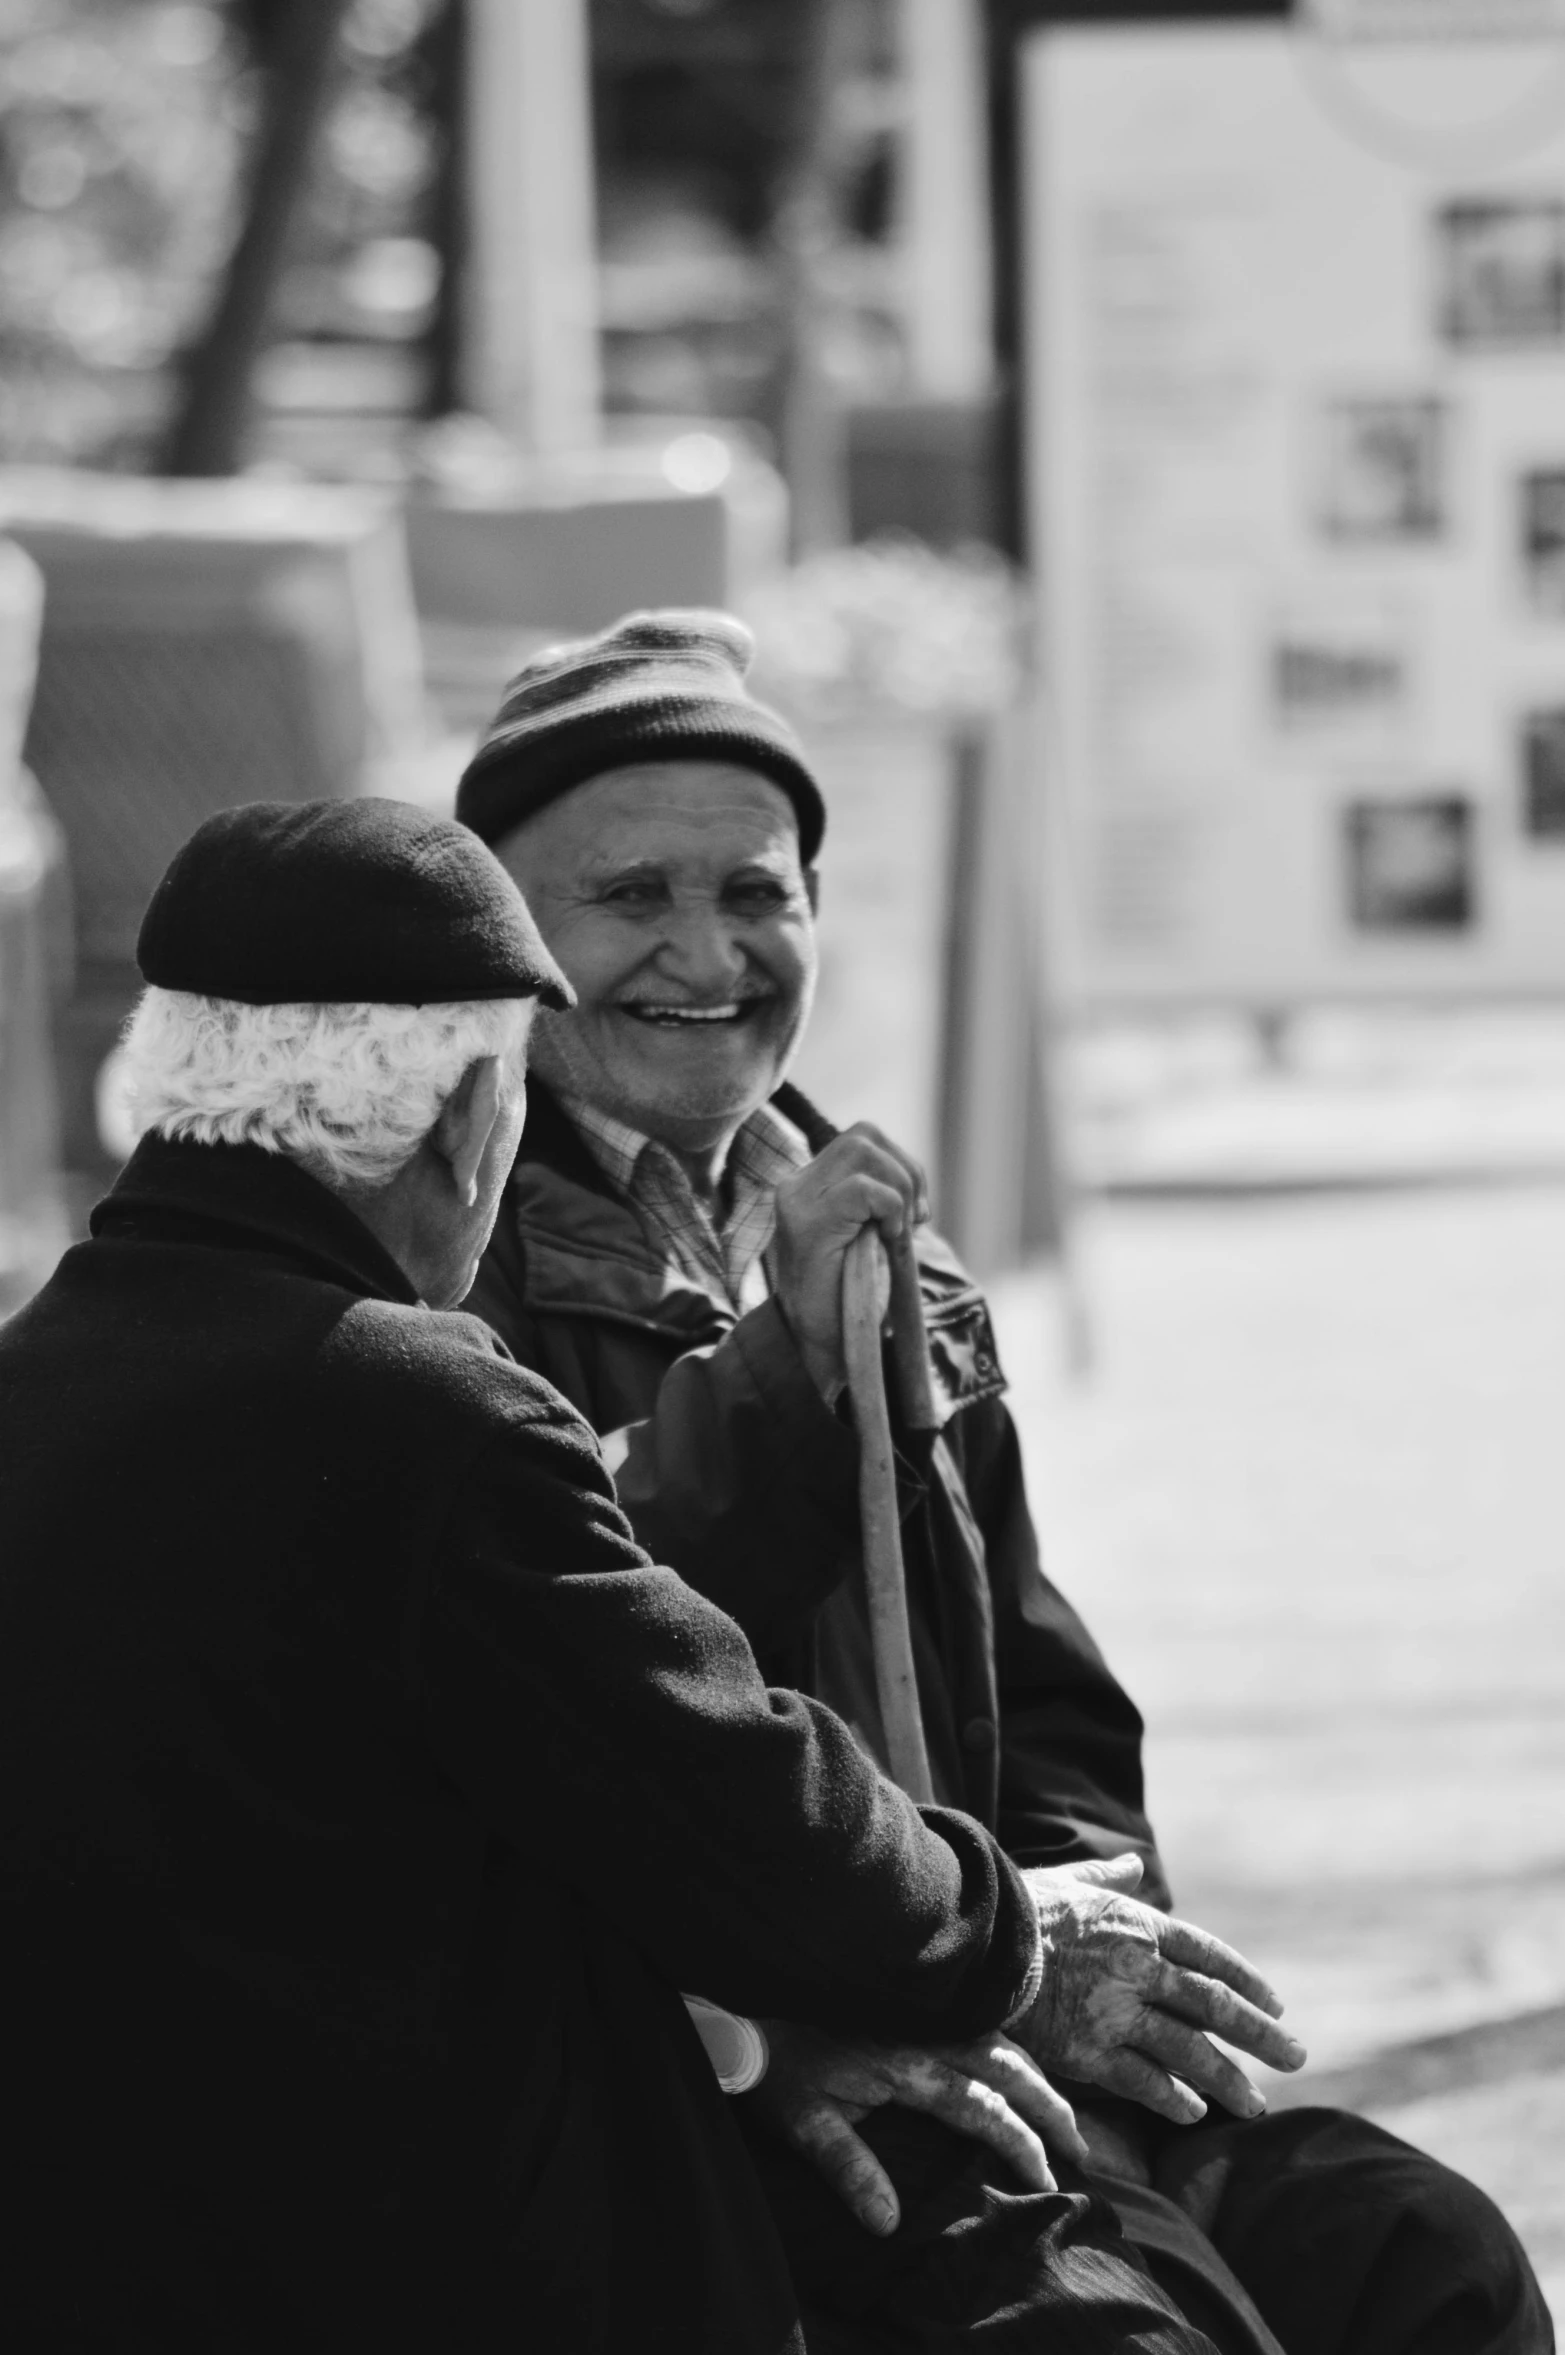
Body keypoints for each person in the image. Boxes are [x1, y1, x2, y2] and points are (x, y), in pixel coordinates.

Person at [0, 797, 1308, 2355]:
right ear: (470, 1110)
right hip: (420, 2268)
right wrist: (1005, 1935)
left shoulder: (32, 1381)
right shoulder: (427, 1413)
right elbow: (735, 1805)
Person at [454, 610, 1551, 2355]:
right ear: (508, 948)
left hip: (988, 1993)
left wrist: (1088, 1961)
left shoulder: (892, 1255)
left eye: (757, 893)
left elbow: (1040, 1706)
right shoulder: (452, 1282)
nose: (706, 950)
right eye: (632, 896)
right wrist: (820, 2008)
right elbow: (596, 1682)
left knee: (1422, 2255)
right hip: (716, 2059)